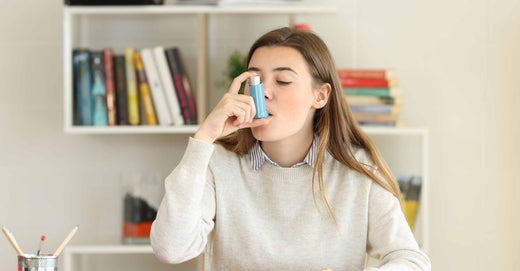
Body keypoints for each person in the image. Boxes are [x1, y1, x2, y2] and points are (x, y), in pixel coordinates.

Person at [150, 27, 431, 271]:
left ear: (320, 96)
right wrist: (203, 139)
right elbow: (171, 249)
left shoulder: (357, 169)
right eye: (255, 81)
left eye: (283, 81)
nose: (264, 93)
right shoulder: (217, 162)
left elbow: (411, 260)